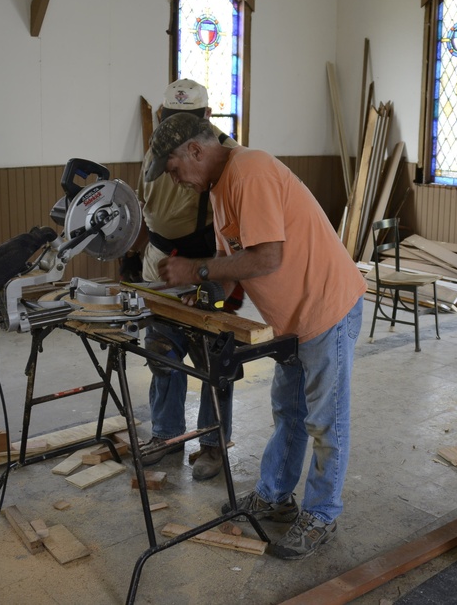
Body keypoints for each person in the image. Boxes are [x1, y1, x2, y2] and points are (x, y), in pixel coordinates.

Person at [146, 112, 366, 560]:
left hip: (325, 309)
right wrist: (208, 296)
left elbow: (267, 257)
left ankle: (322, 515)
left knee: (326, 422)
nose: (175, 180)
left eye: (173, 169)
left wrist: (197, 268)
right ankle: (275, 496)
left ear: (195, 149)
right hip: (291, 321)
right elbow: (235, 263)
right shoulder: (218, 189)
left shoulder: (253, 171)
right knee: (289, 411)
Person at [127, 79, 239, 481]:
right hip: (159, 261)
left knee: (213, 358)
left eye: (186, 122)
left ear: (206, 118)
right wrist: (134, 250)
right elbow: (145, 205)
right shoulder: (155, 151)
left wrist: (219, 279)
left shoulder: (223, 156)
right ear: (161, 116)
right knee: (161, 352)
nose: (176, 129)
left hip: (205, 263)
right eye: (170, 120)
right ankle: (166, 435)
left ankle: (212, 442)